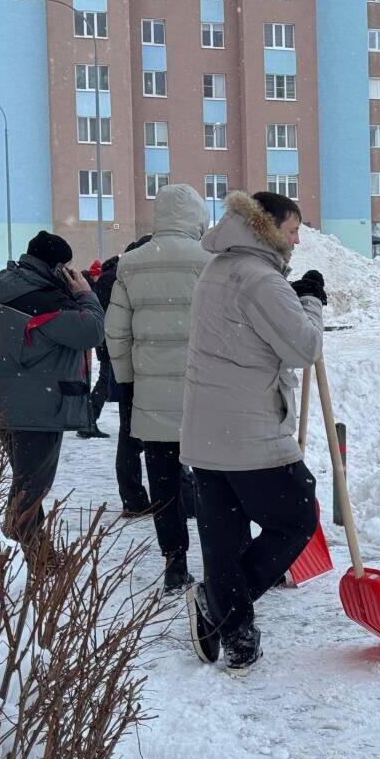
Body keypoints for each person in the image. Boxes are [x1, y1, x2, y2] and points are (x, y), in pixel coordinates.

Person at [180, 190, 326, 673]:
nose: (298, 239)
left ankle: (237, 632)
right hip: (248, 432)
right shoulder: (260, 279)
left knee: (224, 539)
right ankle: (218, 605)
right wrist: (309, 302)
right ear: (268, 228)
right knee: (298, 516)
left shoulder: (217, 269)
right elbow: (303, 348)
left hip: (207, 431)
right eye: (292, 230)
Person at [106, 184, 210, 595]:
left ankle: (175, 565)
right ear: (196, 218)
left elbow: (115, 332)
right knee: (213, 482)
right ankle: (223, 561)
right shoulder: (210, 261)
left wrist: (129, 379)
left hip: (151, 397)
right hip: (204, 395)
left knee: (163, 484)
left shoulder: (130, 264)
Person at [0, 231, 104, 551]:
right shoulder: (43, 298)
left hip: (5, 400)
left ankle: (39, 553)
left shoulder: (2, 284)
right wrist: (85, 295)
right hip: (38, 406)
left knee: (26, 483)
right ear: (56, 267)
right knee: (31, 489)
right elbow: (91, 331)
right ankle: (19, 559)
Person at [87, 239, 156, 515]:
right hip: (132, 363)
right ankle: (173, 498)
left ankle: (134, 499)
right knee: (156, 438)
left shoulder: (115, 276)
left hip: (126, 362)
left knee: (130, 437)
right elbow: (114, 324)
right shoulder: (123, 278)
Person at [77, 258, 110, 440]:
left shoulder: (93, 285)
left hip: (102, 340)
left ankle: (87, 420)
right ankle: (88, 420)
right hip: (105, 340)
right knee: (105, 382)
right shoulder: (95, 287)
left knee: (104, 381)